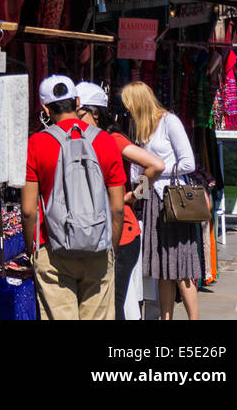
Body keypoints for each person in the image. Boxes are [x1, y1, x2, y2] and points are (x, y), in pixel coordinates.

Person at [21, 75, 125, 320]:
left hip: (53, 249)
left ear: (45, 108)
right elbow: (117, 208)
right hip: (98, 248)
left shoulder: (36, 143)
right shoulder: (106, 142)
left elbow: (28, 210)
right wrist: (112, 248)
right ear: (77, 102)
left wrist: (32, 250)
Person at [76, 81, 164, 320]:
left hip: (121, 236)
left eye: (78, 113)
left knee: (112, 306)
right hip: (99, 235)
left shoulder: (112, 139)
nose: (74, 119)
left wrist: (135, 195)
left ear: (95, 113)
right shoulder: (82, 139)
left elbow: (156, 165)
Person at [120, 81, 202, 321]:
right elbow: (142, 170)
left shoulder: (169, 122)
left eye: (129, 105)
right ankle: (165, 318)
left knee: (180, 266)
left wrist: (156, 169)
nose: (127, 110)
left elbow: (188, 163)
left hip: (174, 202)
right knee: (162, 267)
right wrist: (138, 191)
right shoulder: (142, 127)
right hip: (155, 202)